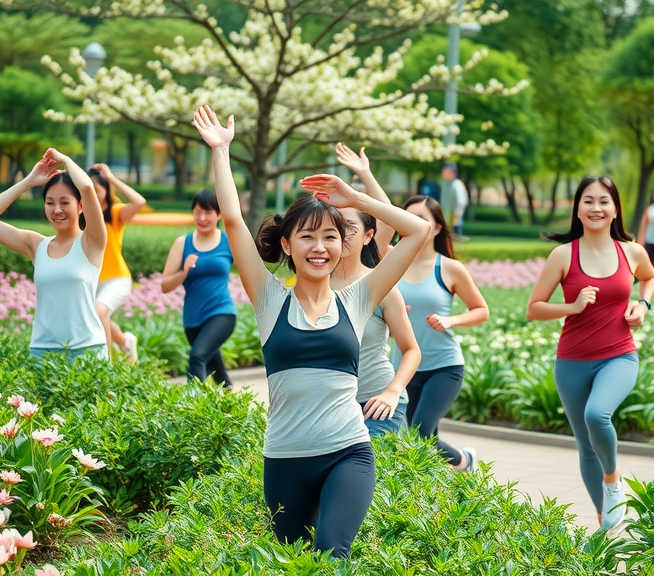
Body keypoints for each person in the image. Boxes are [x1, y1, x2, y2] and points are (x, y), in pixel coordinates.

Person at [192, 105, 430, 558]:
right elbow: (232, 222)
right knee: (294, 560)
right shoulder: (269, 300)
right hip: (284, 458)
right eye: (306, 237)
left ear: (344, 245)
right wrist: (221, 151)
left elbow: (417, 231)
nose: (319, 247)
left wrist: (357, 200)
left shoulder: (359, 298)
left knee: (332, 553)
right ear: (286, 245)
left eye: (329, 237)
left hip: (348, 451)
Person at [526, 176, 654, 532]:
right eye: (588, 201)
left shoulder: (631, 251)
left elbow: (650, 277)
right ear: (578, 209)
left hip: (619, 355)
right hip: (571, 362)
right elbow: (534, 308)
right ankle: (605, 524)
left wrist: (642, 304)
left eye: (603, 201)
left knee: (597, 415)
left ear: (615, 209)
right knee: (585, 448)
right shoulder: (563, 255)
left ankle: (612, 481)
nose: (596, 208)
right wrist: (571, 306)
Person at [356, 170, 489, 472]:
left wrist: (450, 320)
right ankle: (441, 485)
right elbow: (384, 220)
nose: (411, 223)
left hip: (443, 367)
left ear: (438, 227)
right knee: (417, 436)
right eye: (407, 216)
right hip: (401, 368)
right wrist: (364, 174)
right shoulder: (389, 261)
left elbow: (481, 310)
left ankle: (465, 462)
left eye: (420, 218)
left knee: (420, 431)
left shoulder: (450, 268)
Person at [0, 149, 108, 361]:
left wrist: (65, 160)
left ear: (80, 206)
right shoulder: (36, 246)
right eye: (50, 202)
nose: (57, 210)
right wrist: (28, 182)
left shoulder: (92, 242)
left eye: (65, 202)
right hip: (42, 352)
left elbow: (87, 187)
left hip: (86, 350)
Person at [335, 143, 421, 436]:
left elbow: (388, 219)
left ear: (368, 236)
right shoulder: (311, 280)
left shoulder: (378, 280)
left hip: (377, 403)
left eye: (350, 228)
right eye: (334, 228)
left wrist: (365, 176)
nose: (340, 236)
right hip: (332, 408)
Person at [160, 189, 236, 387]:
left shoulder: (229, 242)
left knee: (197, 356)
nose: (202, 218)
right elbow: (165, 285)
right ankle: (232, 407)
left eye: (208, 212)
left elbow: (251, 268)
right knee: (218, 375)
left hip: (222, 313)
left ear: (219, 214)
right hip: (193, 321)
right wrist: (183, 271)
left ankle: (191, 410)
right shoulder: (182, 244)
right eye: (197, 212)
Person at [88, 163, 146, 363]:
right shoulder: (82, 216)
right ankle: (126, 343)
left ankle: (106, 363)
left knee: (98, 311)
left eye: (97, 190)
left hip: (117, 279)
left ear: (106, 191)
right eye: (88, 191)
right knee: (95, 314)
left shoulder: (115, 214)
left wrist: (111, 177)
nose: (93, 195)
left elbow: (139, 201)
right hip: (92, 280)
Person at [442, 163, 469, 235]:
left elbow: (461, 203)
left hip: (454, 223)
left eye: (446, 171)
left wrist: (454, 219)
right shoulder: (445, 184)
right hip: (446, 221)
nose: (443, 173)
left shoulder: (457, 184)